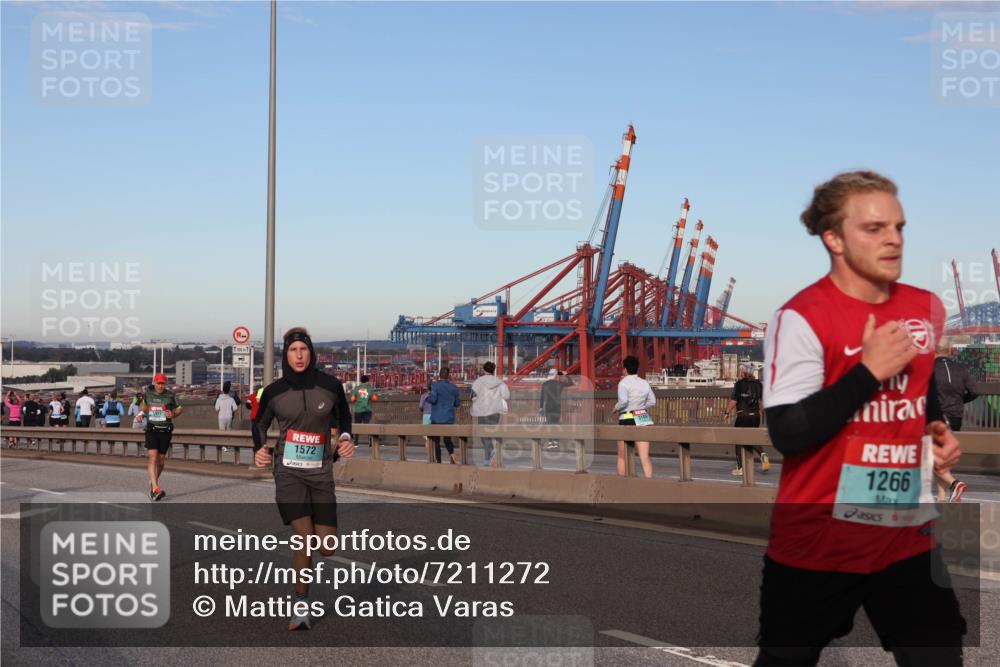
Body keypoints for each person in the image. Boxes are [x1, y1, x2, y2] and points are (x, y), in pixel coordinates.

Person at [757, 171, 964, 666]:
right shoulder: (801, 317)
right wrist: (869, 370)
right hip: (818, 542)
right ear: (834, 239)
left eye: (899, 226)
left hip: (905, 534)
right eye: (874, 228)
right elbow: (788, 432)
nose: (893, 238)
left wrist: (937, 433)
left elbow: (918, 393)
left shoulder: (926, 307)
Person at [252, 327, 354, 631]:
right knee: (304, 540)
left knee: (327, 547)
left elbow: (344, 418)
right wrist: (259, 449)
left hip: (321, 473)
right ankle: (301, 606)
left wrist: (346, 437)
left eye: (304, 350)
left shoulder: (331, 386)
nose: (299, 355)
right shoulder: (274, 391)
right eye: (293, 350)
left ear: (312, 353)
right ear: (286, 354)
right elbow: (258, 424)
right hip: (288, 472)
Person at [933, 337, 977, 502]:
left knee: (932, 456)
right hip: (955, 416)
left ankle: (955, 484)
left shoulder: (930, 369)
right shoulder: (961, 368)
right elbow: (974, 391)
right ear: (950, 350)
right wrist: (960, 401)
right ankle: (942, 496)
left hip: (936, 416)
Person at [139, 373, 183, 501]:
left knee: (161, 461)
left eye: (163, 383)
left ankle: (153, 482)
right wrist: (141, 402)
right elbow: (144, 408)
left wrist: (173, 413)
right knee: (153, 458)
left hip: (165, 430)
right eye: (158, 383)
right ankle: (156, 488)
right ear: (154, 383)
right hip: (152, 429)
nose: (161, 386)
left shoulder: (170, 395)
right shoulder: (148, 394)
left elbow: (180, 408)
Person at [613, 356, 656, 477]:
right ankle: (649, 482)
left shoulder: (623, 383)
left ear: (625, 369)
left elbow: (623, 401)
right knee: (644, 456)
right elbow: (652, 401)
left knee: (622, 456)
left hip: (627, 417)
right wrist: (641, 407)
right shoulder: (644, 383)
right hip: (642, 417)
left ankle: (623, 482)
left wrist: (616, 408)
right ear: (637, 368)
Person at [725, 365, 770, 475]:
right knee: (751, 437)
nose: (740, 372)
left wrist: (727, 412)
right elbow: (761, 402)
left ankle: (740, 468)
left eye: (741, 371)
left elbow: (734, 401)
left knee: (738, 440)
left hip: (743, 416)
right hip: (755, 416)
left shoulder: (739, 384)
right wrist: (760, 412)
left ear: (744, 372)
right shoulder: (759, 384)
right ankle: (763, 454)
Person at [469, 361, 509, 465]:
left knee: (484, 435)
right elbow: (506, 396)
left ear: (484, 370)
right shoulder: (500, 382)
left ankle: (489, 454)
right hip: (495, 411)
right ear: (493, 370)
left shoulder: (478, 382)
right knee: (492, 432)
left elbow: (472, 395)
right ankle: (489, 457)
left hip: (482, 411)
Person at [426, 366, 461, 464]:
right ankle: (452, 457)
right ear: (448, 376)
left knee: (436, 441)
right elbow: (457, 404)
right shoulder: (453, 387)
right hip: (448, 419)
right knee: (447, 440)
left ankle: (438, 461)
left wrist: (428, 395)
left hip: (436, 419)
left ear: (439, 375)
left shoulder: (435, 386)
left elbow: (432, 400)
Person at [539, 368, 574, 449]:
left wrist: (541, 407)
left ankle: (550, 442)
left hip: (548, 406)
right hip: (557, 405)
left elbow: (542, 397)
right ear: (555, 376)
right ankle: (556, 441)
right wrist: (565, 374)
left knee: (549, 423)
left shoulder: (545, 384)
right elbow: (571, 383)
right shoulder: (559, 383)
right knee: (556, 423)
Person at [350, 375, 378, 445]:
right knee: (367, 425)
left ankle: (356, 442)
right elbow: (375, 398)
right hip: (367, 410)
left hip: (358, 410)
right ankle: (369, 439)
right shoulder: (370, 389)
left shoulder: (356, 388)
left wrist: (358, 399)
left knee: (357, 426)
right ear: (367, 381)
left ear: (361, 381)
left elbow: (352, 399)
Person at [418, 380, 434, 451]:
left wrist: (423, 410)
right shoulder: (435, 395)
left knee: (426, 433)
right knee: (433, 432)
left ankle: (428, 447)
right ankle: (433, 447)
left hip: (426, 415)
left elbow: (421, 406)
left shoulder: (424, 396)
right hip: (434, 415)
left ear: (427, 388)